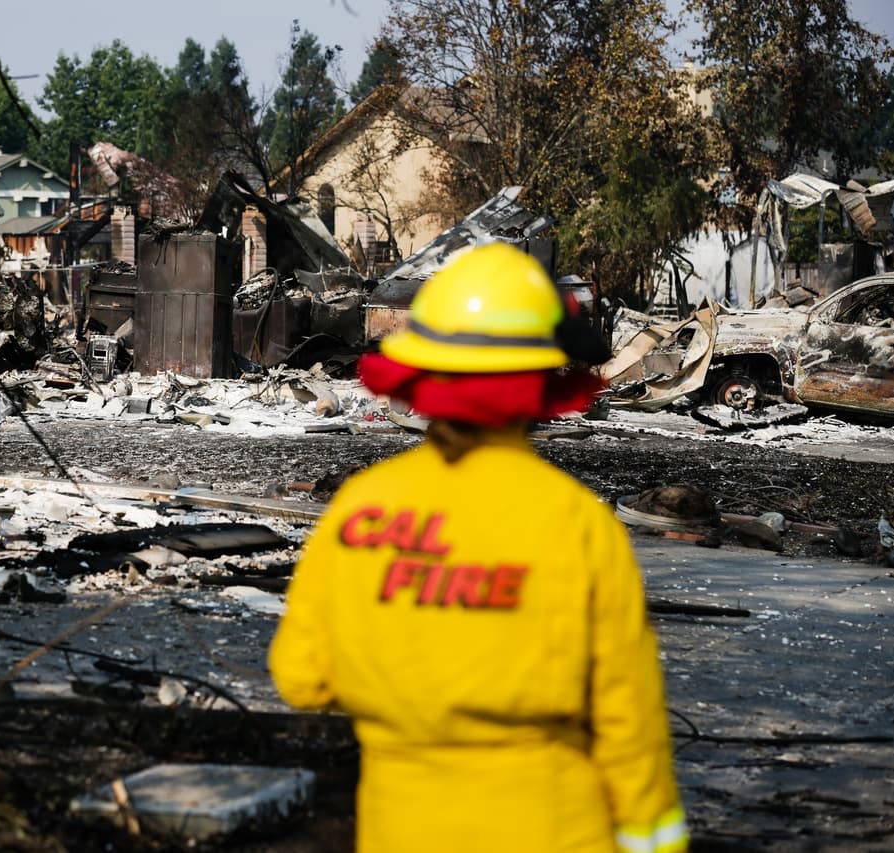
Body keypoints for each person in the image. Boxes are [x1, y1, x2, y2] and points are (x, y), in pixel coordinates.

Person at [269, 242, 688, 853]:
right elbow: (628, 718)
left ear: (421, 373)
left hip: (402, 826)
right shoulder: (574, 522)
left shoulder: (363, 508)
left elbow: (301, 677)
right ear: (544, 381)